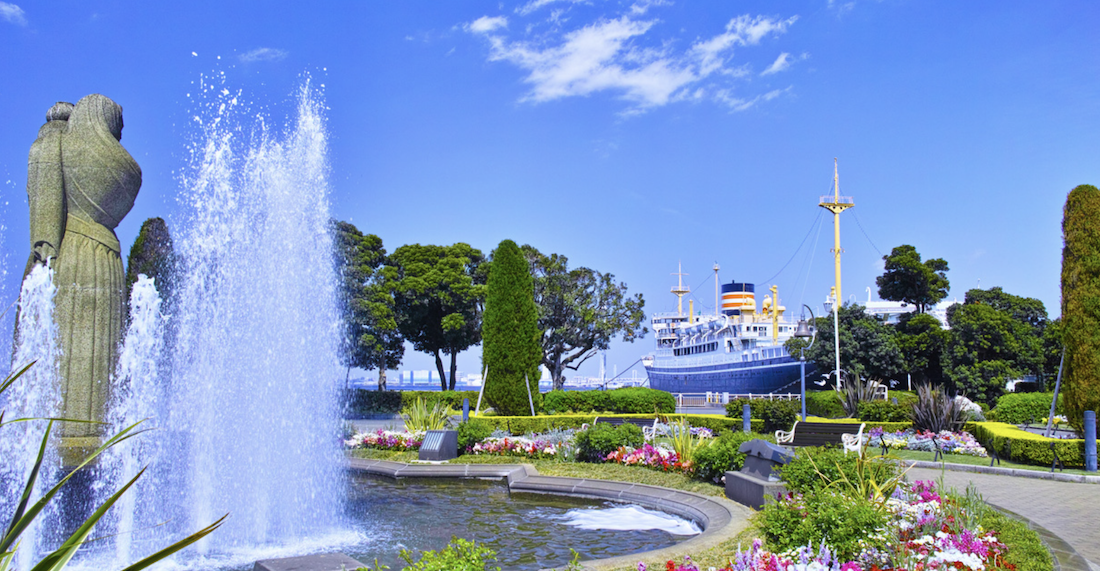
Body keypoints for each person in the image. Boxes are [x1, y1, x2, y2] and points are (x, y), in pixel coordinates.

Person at [25, 94, 142, 440]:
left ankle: (61, 443)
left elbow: (43, 221)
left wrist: (53, 129)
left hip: (70, 256)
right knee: (96, 367)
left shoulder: (57, 145)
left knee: (69, 360)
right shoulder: (122, 168)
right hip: (104, 262)